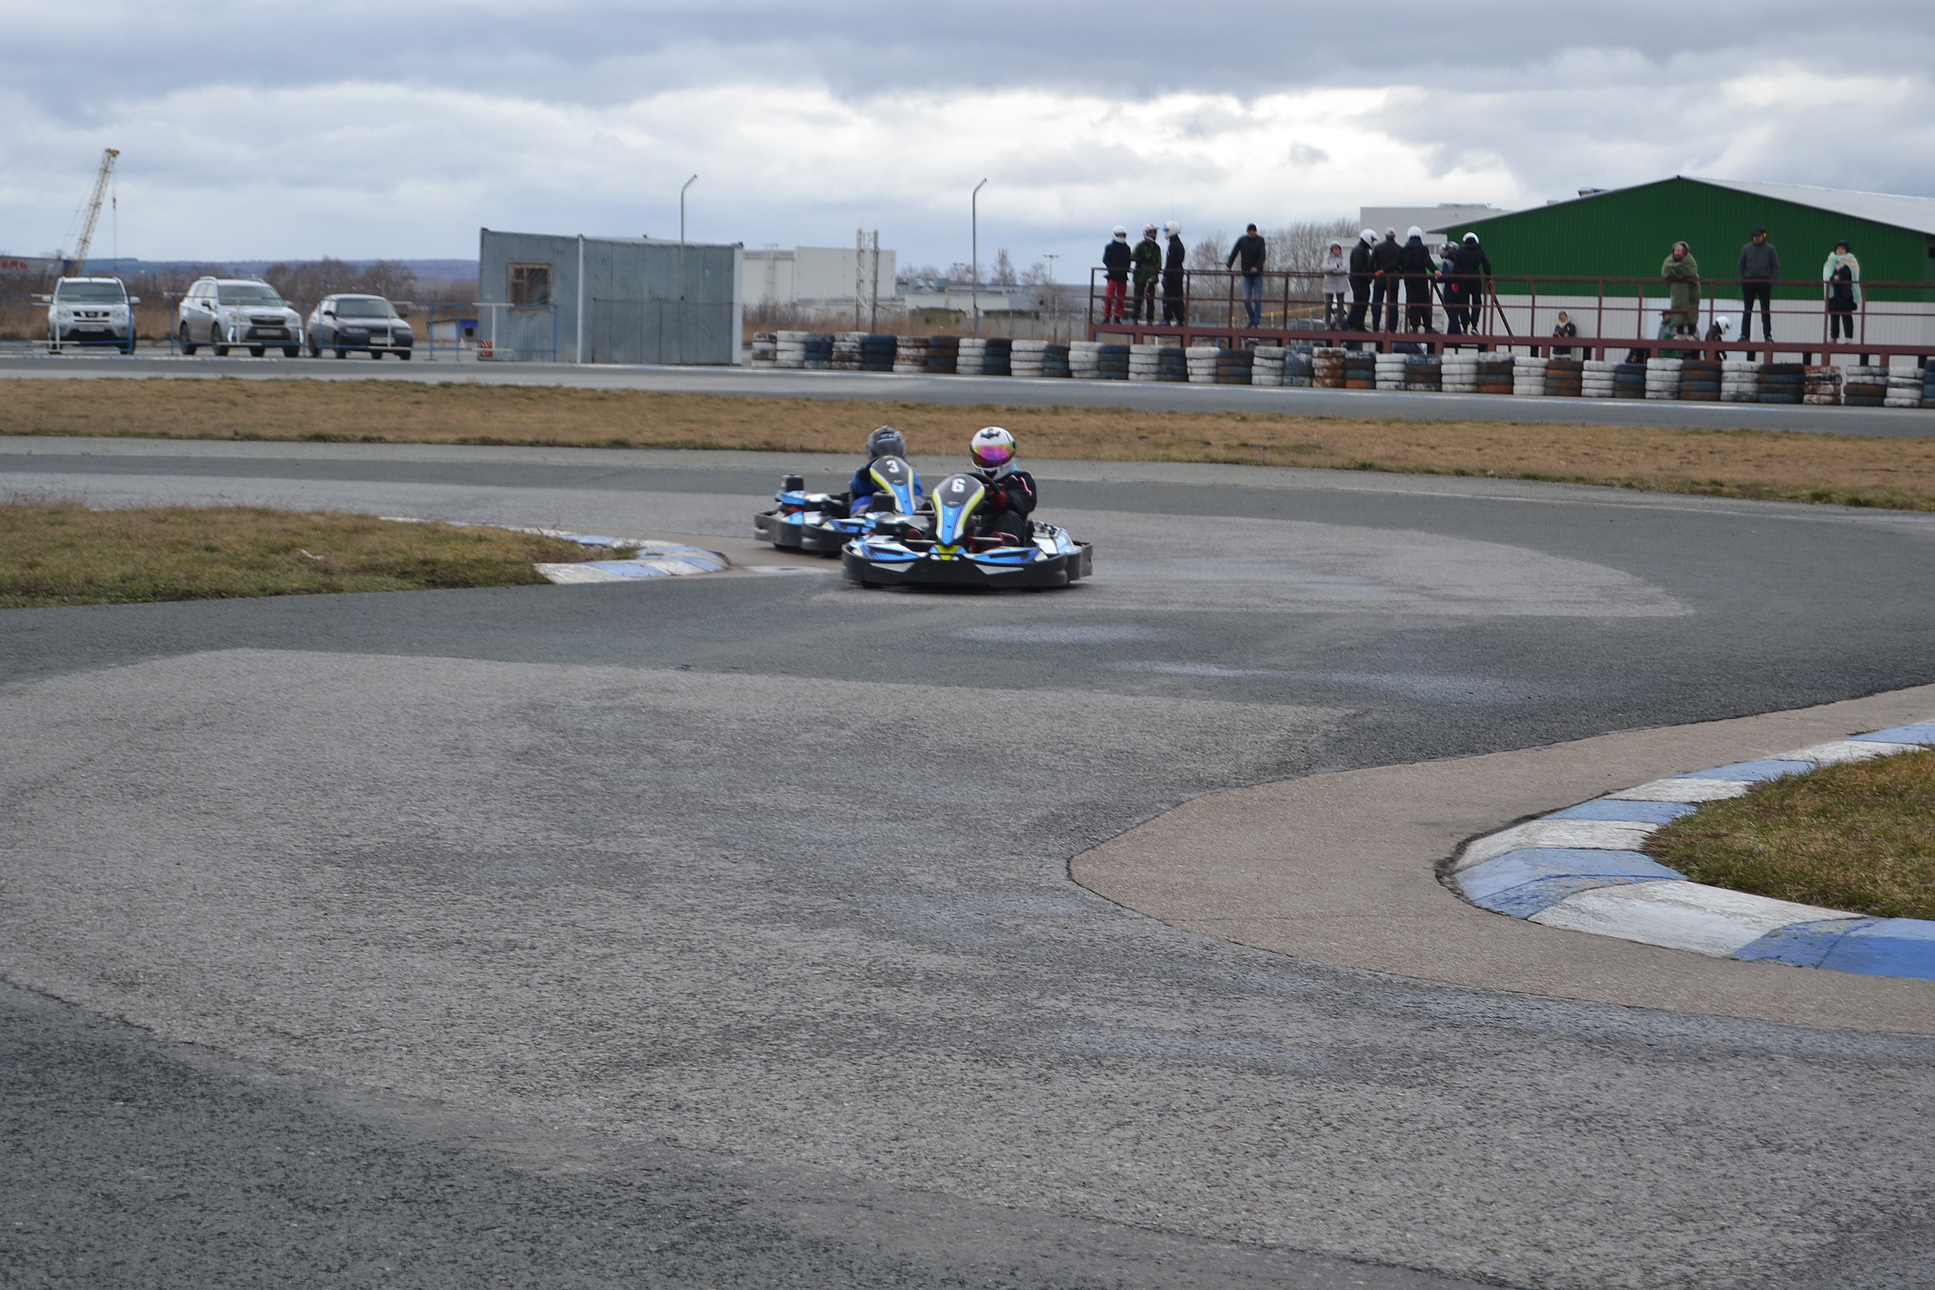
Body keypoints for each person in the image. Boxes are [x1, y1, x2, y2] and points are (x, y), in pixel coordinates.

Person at [965, 426, 1036, 547]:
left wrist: (1006, 499)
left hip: (1003, 523)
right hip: (973, 524)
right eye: (985, 456)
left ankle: (999, 546)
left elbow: (1024, 500)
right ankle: (931, 542)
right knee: (946, 517)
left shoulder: (1019, 479)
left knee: (1010, 518)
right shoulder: (971, 481)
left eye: (997, 455)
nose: (991, 460)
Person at [847, 425, 924, 515]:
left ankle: (925, 516)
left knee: (919, 500)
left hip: (905, 502)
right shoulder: (866, 470)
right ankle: (864, 517)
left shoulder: (906, 470)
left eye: (893, 449)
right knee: (863, 501)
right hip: (876, 502)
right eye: (883, 449)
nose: (889, 452)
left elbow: (917, 491)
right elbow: (859, 489)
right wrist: (865, 477)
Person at [1737, 225, 1779, 349]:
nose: (1756, 238)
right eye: (1755, 236)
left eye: (1758, 236)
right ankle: (1744, 335)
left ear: (1763, 236)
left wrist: (1771, 281)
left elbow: (1775, 266)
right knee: (1747, 310)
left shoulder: (1770, 249)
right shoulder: (1746, 248)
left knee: (1765, 311)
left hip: (1764, 283)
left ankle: (1767, 335)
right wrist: (1743, 281)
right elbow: (1741, 265)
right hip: (1749, 283)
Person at [1448, 232, 1492, 335]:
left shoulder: (1460, 251)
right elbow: (1487, 264)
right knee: (1476, 301)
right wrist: (1488, 277)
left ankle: (1464, 327)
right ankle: (1474, 326)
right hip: (1475, 277)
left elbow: (1456, 267)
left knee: (1464, 302)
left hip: (1463, 278)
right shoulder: (1479, 250)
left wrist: (1454, 281)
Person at [1227, 223, 1268, 327]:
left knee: (1258, 299)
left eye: (1253, 231)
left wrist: (1257, 267)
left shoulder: (1260, 241)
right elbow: (1234, 252)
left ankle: (1256, 320)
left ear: (1255, 231)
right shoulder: (1242, 240)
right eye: (1250, 231)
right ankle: (1253, 319)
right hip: (1246, 274)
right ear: (1247, 232)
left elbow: (1262, 256)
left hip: (1257, 274)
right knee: (1246, 299)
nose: (1251, 232)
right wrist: (1229, 265)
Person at [1396, 227, 1435, 333]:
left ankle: (1414, 326)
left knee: (1412, 301)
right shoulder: (1422, 248)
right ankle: (1427, 326)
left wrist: (1383, 270)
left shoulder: (1404, 249)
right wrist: (1435, 270)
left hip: (1408, 278)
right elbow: (1427, 261)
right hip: (1421, 277)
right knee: (1424, 301)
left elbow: (1397, 262)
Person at [1661, 241, 1701, 338]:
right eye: (1676, 250)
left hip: (1692, 290)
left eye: (1680, 250)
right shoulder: (1669, 260)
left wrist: (1678, 272)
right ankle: (1679, 333)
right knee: (1678, 308)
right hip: (1677, 291)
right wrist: (1676, 269)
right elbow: (1665, 272)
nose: (1677, 252)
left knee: (1692, 309)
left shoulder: (1689, 260)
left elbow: (1692, 271)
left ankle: (1691, 333)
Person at [1823, 239, 1860, 342]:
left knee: (1846, 315)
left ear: (1846, 250)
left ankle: (1848, 337)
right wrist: (1832, 278)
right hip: (1833, 292)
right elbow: (1827, 274)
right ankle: (1833, 336)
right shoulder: (1831, 260)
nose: (1840, 250)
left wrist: (1840, 276)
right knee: (1834, 315)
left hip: (1846, 293)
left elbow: (1852, 273)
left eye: (1842, 249)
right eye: (1838, 248)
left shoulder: (1851, 261)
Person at [1370, 227, 1401, 331]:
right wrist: (1399, 274)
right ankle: (1392, 329)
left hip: (1380, 278)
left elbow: (1371, 263)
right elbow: (1403, 264)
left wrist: (1374, 273)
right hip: (1394, 280)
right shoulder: (1399, 249)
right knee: (1393, 304)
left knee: (1377, 303)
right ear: (1394, 236)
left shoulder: (1378, 248)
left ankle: (1375, 327)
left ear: (1385, 235)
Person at [1131, 224, 1163, 325]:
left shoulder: (1156, 248)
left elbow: (1159, 263)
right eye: (1151, 233)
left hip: (1151, 276)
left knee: (1150, 300)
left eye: (1154, 233)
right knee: (1138, 299)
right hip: (1140, 276)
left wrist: (1154, 275)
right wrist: (1142, 259)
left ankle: (1150, 319)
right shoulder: (1140, 246)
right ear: (1146, 234)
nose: (1153, 235)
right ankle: (1135, 318)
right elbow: (1132, 256)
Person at [1346, 228, 1376, 331]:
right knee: (1359, 301)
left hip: (1361, 280)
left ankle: (1358, 322)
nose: (1373, 243)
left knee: (1363, 301)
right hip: (1358, 280)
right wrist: (1368, 276)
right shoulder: (1359, 251)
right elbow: (1359, 266)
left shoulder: (1363, 250)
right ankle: (1351, 322)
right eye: (1372, 240)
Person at [1101, 226, 1131, 323]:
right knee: (1109, 296)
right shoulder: (1109, 247)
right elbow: (1105, 259)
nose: (1121, 237)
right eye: (1119, 235)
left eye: (1123, 235)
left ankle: (1117, 316)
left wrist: (1126, 269)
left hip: (1123, 276)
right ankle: (1107, 316)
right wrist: (1111, 268)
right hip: (1112, 276)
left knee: (1121, 298)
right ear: (1115, 235)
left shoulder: (1127, 248)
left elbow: (1128, 261)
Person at [1161, 222, 1186, 325]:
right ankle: (1180, 320)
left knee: (1168, 297)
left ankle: (1167, 319)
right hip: (1179, 273)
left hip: (1172, 275)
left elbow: (1170, 262)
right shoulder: (1180, 244)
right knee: (1178, 297)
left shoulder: (1172, 246)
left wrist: (1165, 274)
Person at [1320, 240, 1348, 330]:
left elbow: (1344, 268)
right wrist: (1336, 266)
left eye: (1338, 248)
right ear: (1331, 249)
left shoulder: (1343, 257)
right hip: (1329, 283)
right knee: (1328, 304)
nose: (1337, 250)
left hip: (1341, 283)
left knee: (1340, 304)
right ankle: (1327, 323)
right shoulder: (1327, 257)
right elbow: (1325, 268)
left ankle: (1339, 324)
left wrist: (1332, 271)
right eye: (1335, 248)